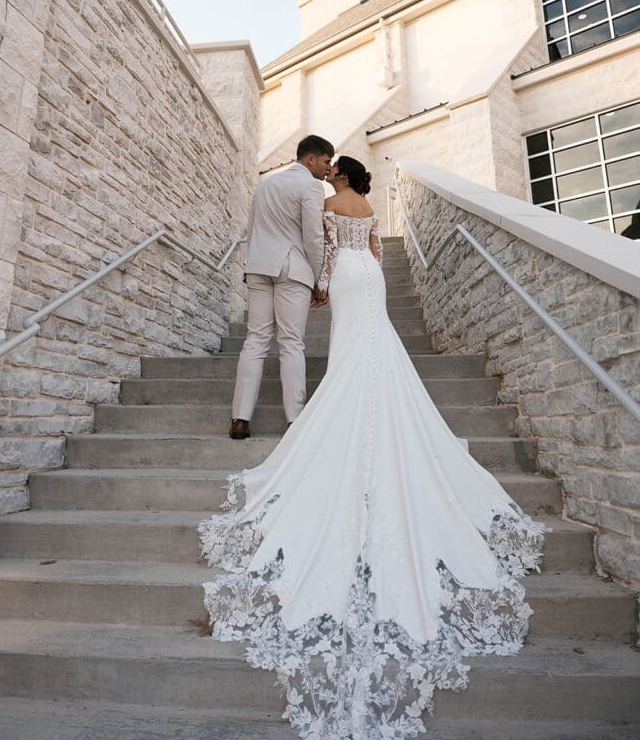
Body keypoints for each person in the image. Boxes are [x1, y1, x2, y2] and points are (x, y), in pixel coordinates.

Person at [201, 156, 546, 739]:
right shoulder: (367, 205)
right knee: (375, 343)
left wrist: (320, 284)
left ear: (339, 175)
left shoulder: (330, 203)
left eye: (334, 168)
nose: (330, 171)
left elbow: (326, 248)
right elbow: (377, 251)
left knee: (347, 350)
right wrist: (359, 275)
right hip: (372, 279)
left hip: (344, 277)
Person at [228, 134, 334, 440]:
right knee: (291, 342)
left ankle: (240, 419)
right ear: (310, 159)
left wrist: (250, 264)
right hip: (292, 268)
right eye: (326, 161)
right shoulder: (310, 186)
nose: (328, 169)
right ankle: (294, 419)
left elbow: (251, 228)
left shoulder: (265, 185)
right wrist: (320, 279)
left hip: (258, 267)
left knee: (255, 341)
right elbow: (313, 236)